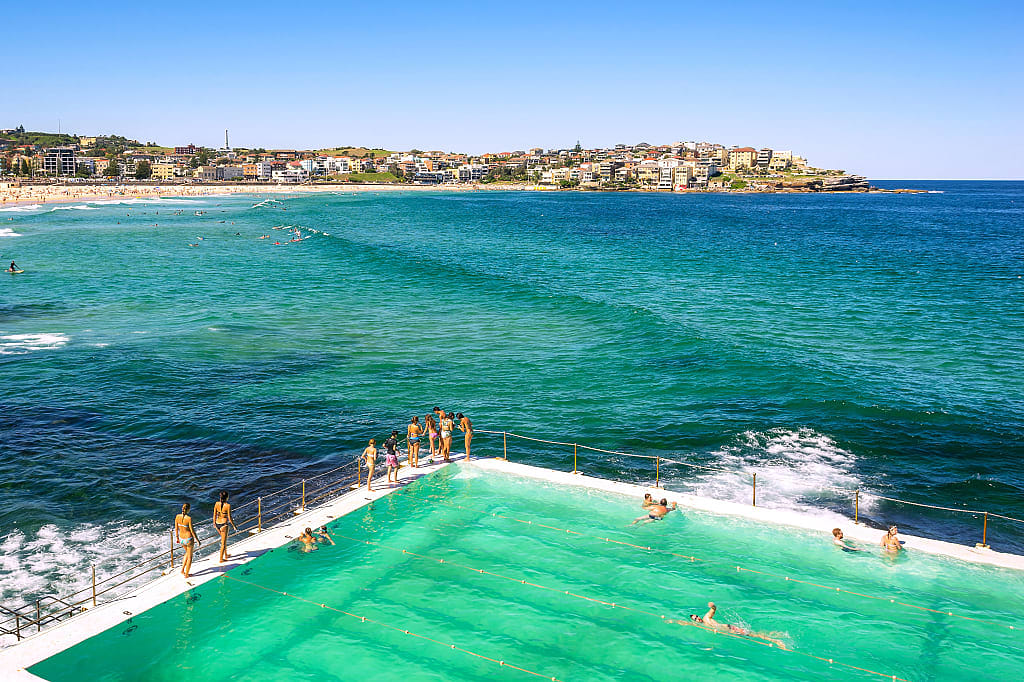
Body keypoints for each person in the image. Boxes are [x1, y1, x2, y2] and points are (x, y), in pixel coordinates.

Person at [676, 602, 787, 649]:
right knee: (754, 634)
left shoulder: (706, 618)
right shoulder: (702, 625)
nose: (697, 618)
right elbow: (687, 623)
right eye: (695, 619)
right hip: (731, 631)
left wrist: (713, 605)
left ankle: (776, 641)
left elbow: (713, 610)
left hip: (732, 629)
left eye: (697, 616)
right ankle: (779, 635)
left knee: (755, 636)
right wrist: (674, 621)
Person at [174, 503, 201, 578]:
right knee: (190, 557)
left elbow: (176, 528)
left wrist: (177, 538)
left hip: (181, 539)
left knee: (187, 553)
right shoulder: (189, 518)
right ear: (188, 509)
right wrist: (197, 540)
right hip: (189, 539)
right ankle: (186, 574)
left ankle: (182, 570)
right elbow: (192, 531)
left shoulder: (177, 516)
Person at [213, 491, 238, 563]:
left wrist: (214, 523)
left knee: (224, 541)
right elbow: (229, 517)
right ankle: (221, 559)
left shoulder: (216, 504)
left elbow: (214, 514)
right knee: (223, 543)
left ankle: (226, 555)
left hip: (217, 524)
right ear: (227, 497)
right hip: (224, 525)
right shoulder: (228, 505)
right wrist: (234, 525)